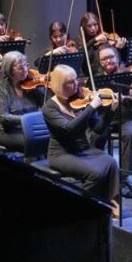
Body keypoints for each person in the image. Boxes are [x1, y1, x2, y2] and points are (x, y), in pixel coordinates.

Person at [42, 65, 119, 215]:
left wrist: (110, 112)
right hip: (61, 153)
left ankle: (109, 203)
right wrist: (91, 107)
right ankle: (79, 208)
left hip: (83, 148)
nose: (76, 84)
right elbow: (69, 129)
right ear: (60, 85)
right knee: (95, 174)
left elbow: (97, 129)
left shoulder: (80, 99)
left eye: (76, 80)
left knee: (110, 162)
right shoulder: (49, 108)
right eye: (71, 82)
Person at [94, 44, 132, 199]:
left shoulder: (127, 74)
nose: (108, 61)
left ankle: (123, 179)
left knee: (131, 133)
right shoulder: (96, 79)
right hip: (106, 116)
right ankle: (96, 174)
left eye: (111, 57)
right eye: (104, 59)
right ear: (99, 62)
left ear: (117, 57)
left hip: (126, 116)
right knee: (95, 134)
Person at [0, 51, 41, 151]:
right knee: (33, 142)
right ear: (9, 69)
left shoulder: (32, 85)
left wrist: (42, 87)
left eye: (26, 65)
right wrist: (27, 119)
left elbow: (45, 104)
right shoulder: (2, 87)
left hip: (28, 128)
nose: (25, 70)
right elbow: (3, 117)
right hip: (6, 131)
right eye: (20, 67)